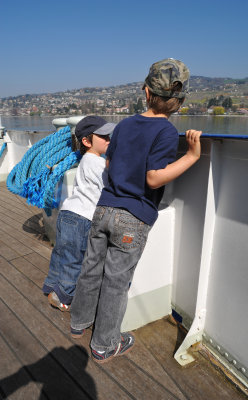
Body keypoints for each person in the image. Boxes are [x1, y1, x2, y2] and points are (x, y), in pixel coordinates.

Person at [70, 58, 202, 363]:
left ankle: (80, 322)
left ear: (146, 92)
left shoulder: (126, 124)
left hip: (104, 208)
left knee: (91, 269)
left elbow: (108, 163)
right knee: (116, 282)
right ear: (180, 101)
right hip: (133, 217)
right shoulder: (167, 132)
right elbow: (153, 177)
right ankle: (104, 345)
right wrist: (192, 156)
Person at [42, 116, 116, 311]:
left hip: (67, 213)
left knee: (61, 254)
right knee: (74, 261)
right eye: (104, 137)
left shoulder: (85, 161)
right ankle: (61, 296)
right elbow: (111, 187)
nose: (109, 139)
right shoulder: (98, 164)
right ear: (86, 141)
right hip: (82, 218)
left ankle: (50, 284)